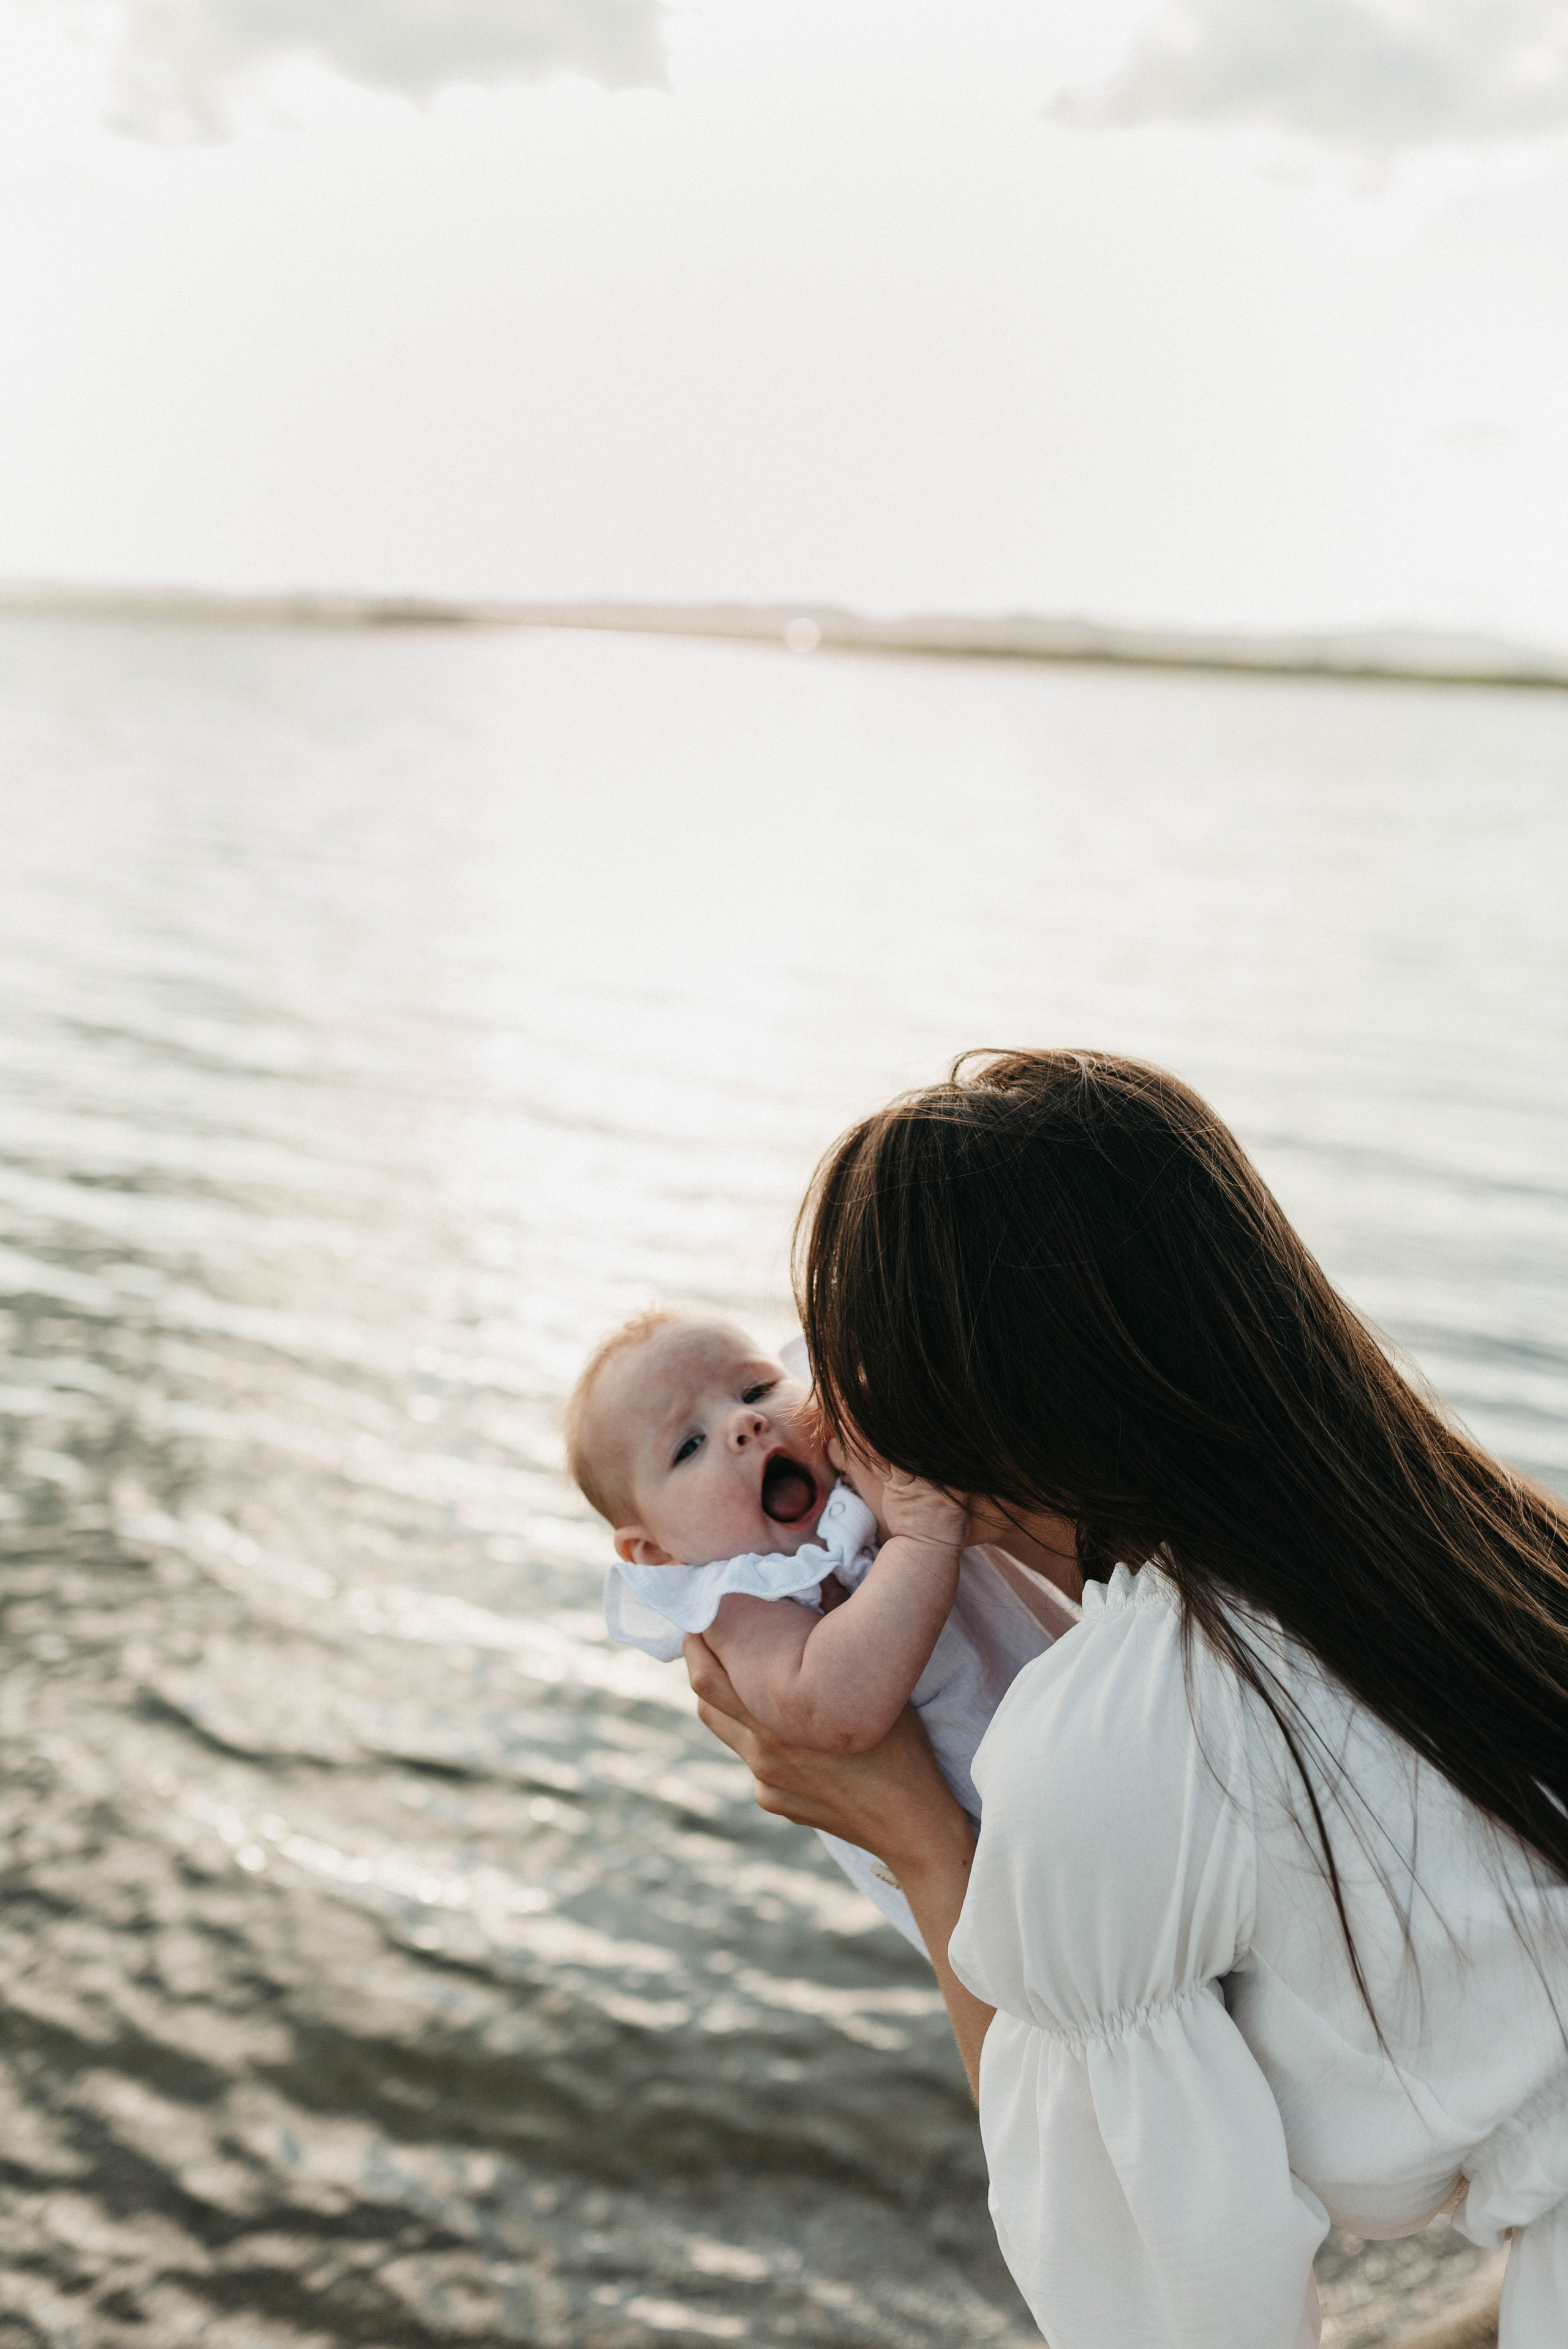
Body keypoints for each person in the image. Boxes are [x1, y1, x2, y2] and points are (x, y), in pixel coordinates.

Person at [684, 1050, 1568, 2349]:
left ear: (953, 1408)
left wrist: (924, 1842)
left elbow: (1149, 2317)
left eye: (834, 1369)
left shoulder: (1141, 1723)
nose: (815, 1423)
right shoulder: (1477, 1552)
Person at [565, 1309, 1074, 1942]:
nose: (744, 1423)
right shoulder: (735, 1600)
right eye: (688, 1446)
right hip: (1014, 1870)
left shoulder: (861, 1479)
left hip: (1080, 1742)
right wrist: (922, 1537)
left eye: (755, 1390)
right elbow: (833, 1708)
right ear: (656, 1554)